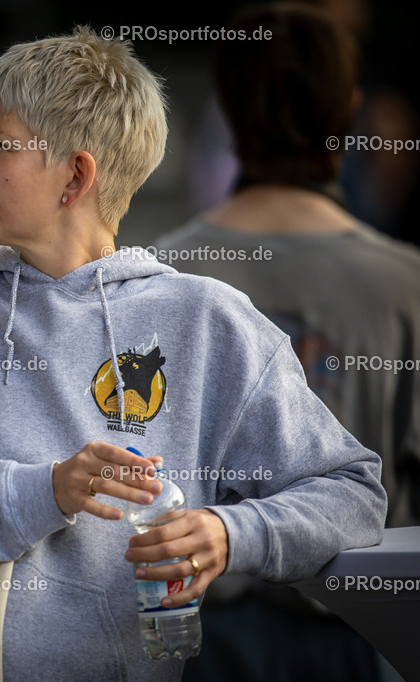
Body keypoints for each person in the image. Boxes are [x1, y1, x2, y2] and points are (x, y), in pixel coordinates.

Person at [0, 25, 387, 680]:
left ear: (75, 175)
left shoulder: (209, 321)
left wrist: (232, 536)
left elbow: (353, 498)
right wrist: (47, 490)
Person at [156, 4, 419, 680]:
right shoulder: (405, 286)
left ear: (230, 110)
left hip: (195, 638)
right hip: (365, 638)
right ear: (350, 111)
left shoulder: (155, 278)